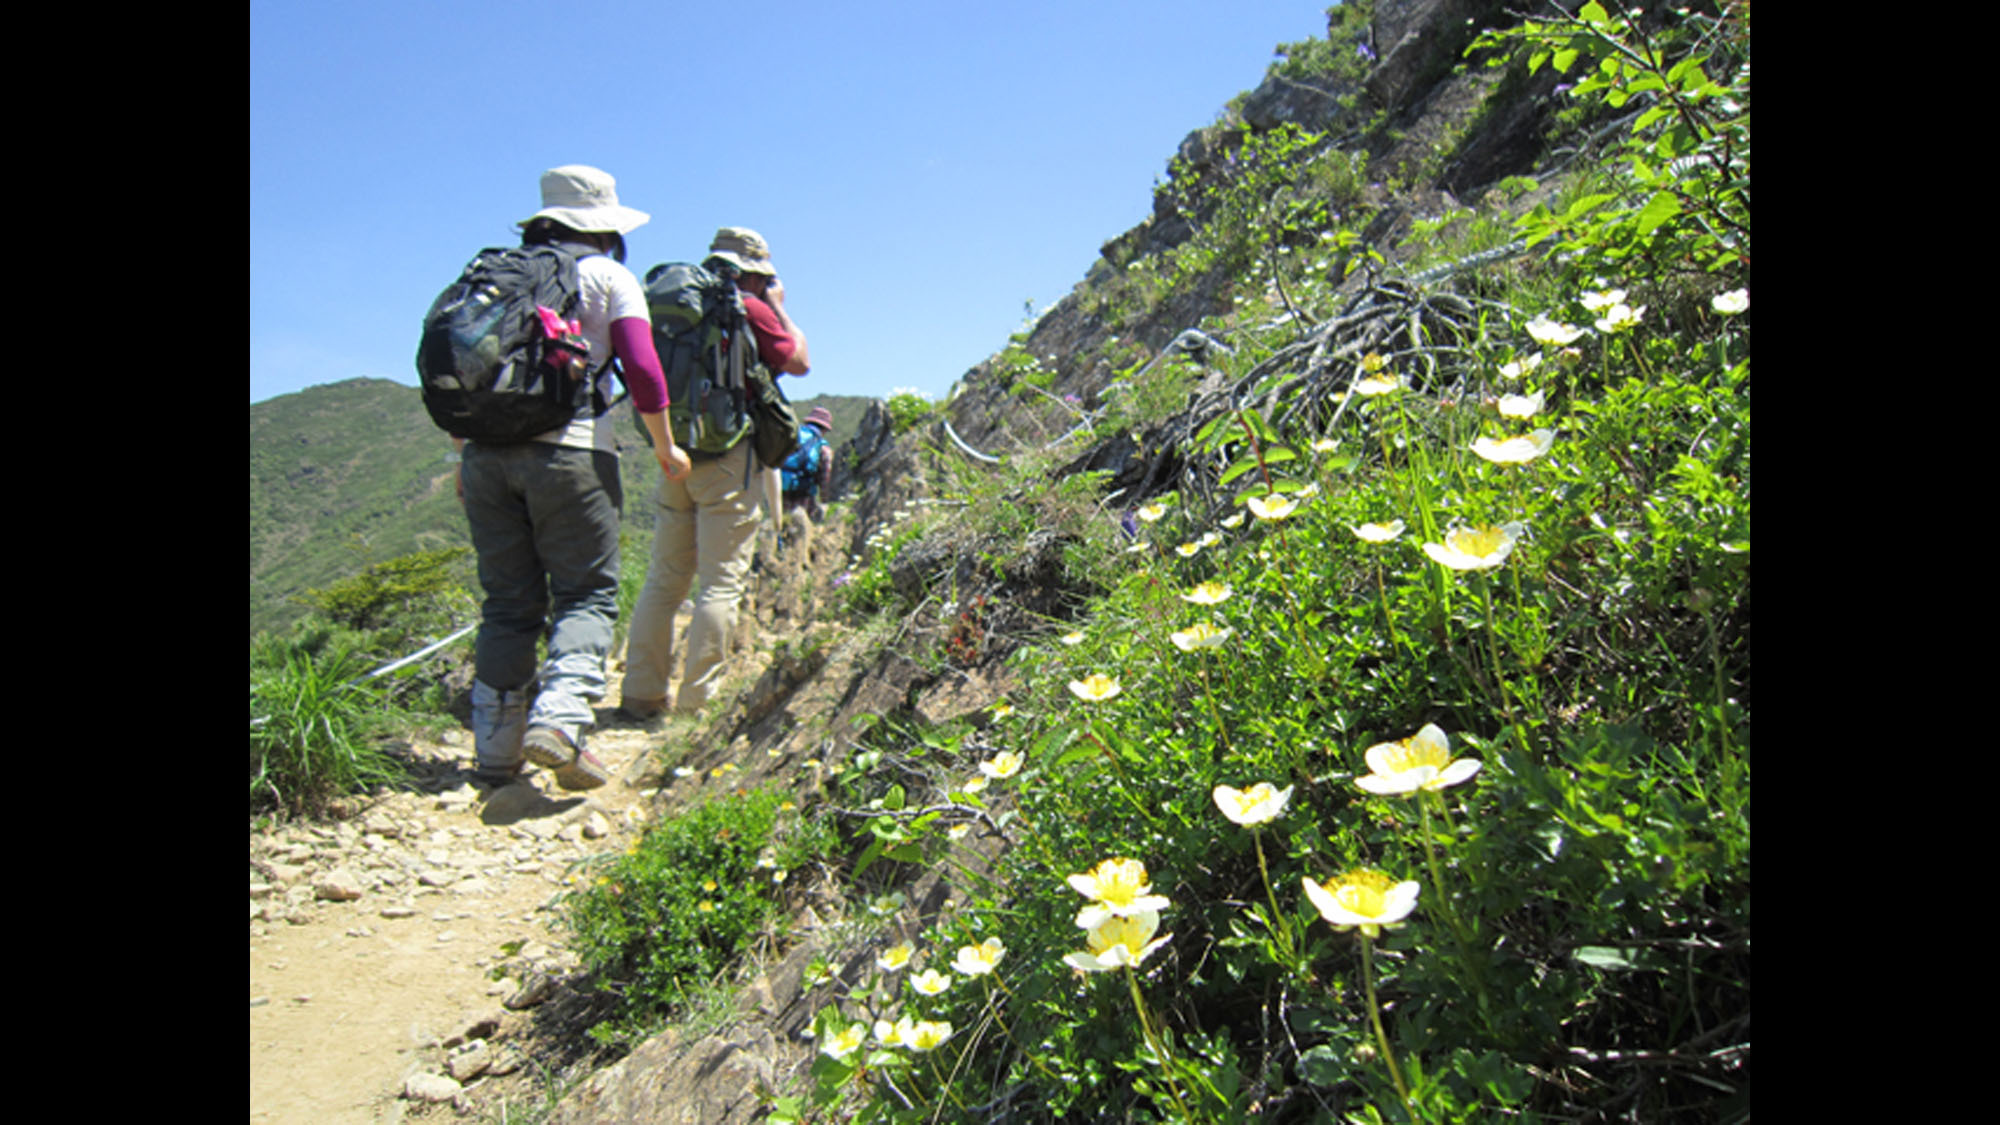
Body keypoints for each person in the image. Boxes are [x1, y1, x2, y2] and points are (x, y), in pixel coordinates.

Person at [456, 165, 692, 791]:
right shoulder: (609, 276)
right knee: (586, 594)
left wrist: (463, 453)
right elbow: (642, 370)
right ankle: (559, 723)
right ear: (606, 227)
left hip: (485, 455)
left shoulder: (492, 276)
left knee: (507, 603)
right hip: (573, 451)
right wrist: (666, 448)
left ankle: (495, 752)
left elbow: (460, 372)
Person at [618, 227, 808, 721]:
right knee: (720, 584)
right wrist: (779, 305)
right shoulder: (747, 305)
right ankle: (696, 704)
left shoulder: (678, 302)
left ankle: (640, 693)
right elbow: (799, 360)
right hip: (726, 456)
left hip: (673, 453)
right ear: (754, 271)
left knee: (664, 579)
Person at [780, 406, 837, 554]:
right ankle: (797, 557)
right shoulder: (823, 448)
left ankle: (780, 550)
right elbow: (825, 478)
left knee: (782, 523)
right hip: (804, 493)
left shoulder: (791, 436)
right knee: (801, 527)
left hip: (781, 488)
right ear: (824, 429)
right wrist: (825, 501)